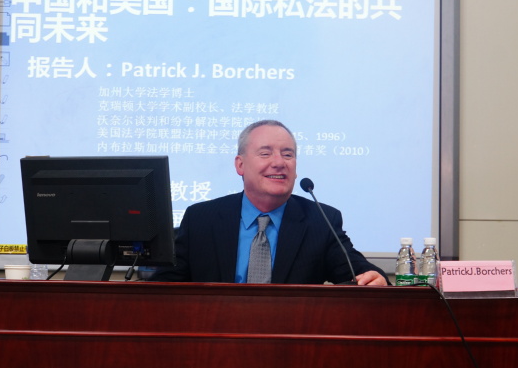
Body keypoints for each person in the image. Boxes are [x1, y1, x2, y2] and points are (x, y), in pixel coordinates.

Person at [151, 119, 389, 286]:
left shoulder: (320, 220)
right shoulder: (202, 218)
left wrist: (375, 279)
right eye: (265, 153)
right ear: (240, 165)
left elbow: (361, 272)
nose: (279, 162)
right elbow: (164, 287)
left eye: (288, 154)